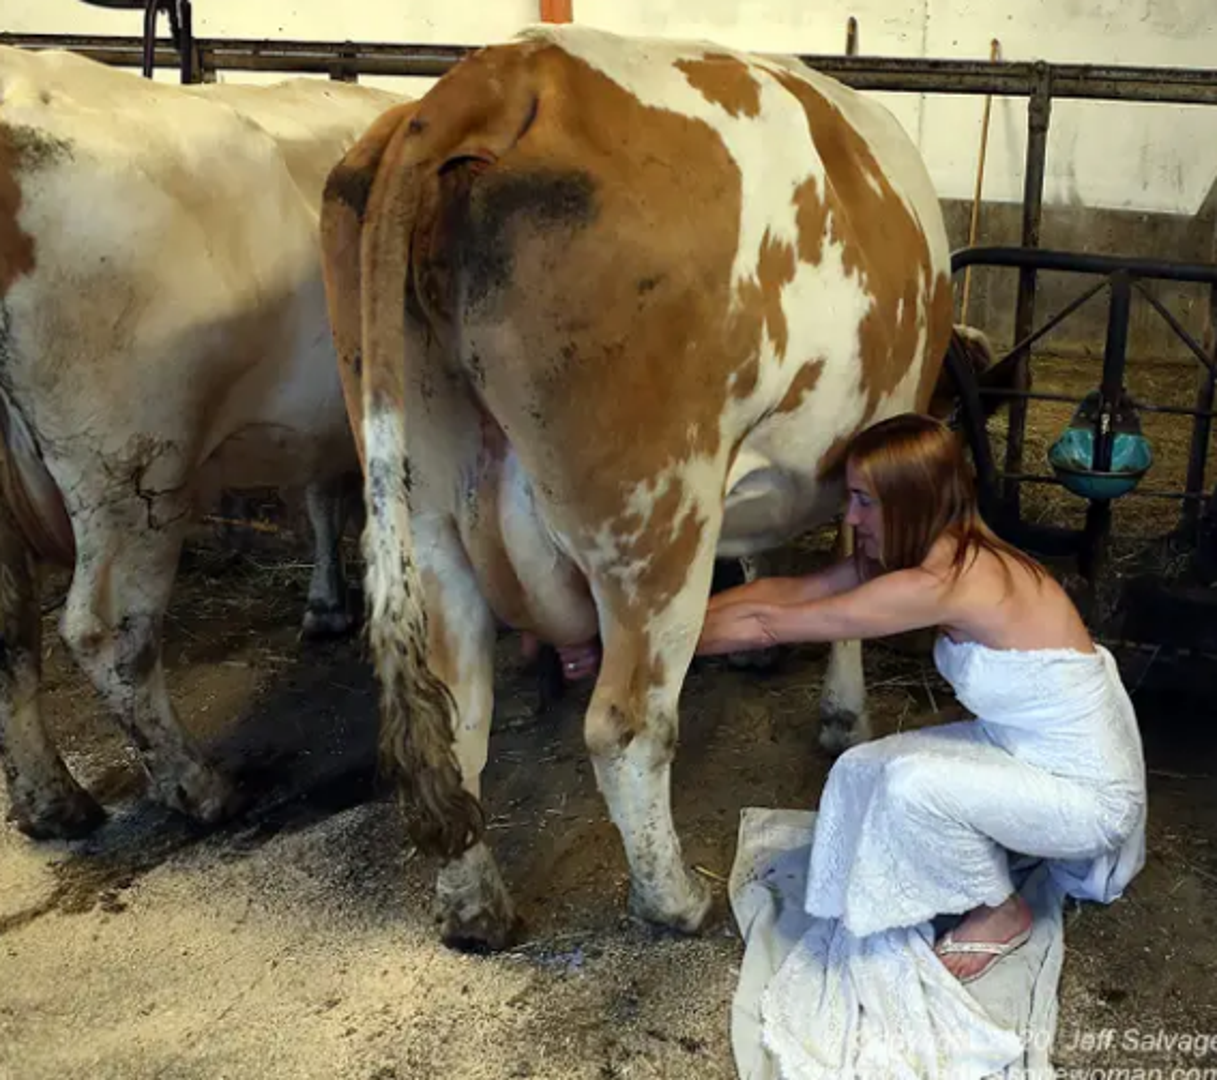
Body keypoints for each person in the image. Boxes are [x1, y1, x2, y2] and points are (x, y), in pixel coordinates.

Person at [697, 412, 1147, 984]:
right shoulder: (931, 551)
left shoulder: (943, 583)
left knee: (912, 789)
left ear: (908, 501)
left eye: (863, 500)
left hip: (1088, 797)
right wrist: (638, 626)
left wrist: (629, 651)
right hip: (1018, 750)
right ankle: (930, 874)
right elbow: (776, 593)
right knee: (862, 768)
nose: (849, 516)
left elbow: (768, 626)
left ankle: (1002, 911)